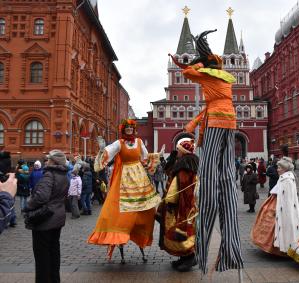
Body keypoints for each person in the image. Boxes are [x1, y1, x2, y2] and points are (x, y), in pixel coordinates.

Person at [172, 30, 243, 274]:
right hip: (230, 122)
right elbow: (210, 107)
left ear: (208, 65)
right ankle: (231, 250)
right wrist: (191, 126)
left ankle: (202, 248)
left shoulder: (207, 76)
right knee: (226, 172)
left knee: (210, 173)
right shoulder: (223, 80)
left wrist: (197, 62)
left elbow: (187, 71)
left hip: (215, 124)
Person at [88, 119, 163, 261]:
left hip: (139, 179)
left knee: (143, 210)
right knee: (121, 208)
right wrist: (102, 149)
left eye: (131, 127)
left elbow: (146, 158)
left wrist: (157, 156)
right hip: (124, 178)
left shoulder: (139, 142)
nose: (129, 129)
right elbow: (109, 152)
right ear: (124, 129)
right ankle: (120, 232)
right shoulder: (119, 143)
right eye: (127, 127)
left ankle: (140, 233)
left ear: (134, 129)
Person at [25, 150, 69, 283]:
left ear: (53, 161)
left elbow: (41, 197)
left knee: (42, 255)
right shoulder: (64, 175)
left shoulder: (49, 175)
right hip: (58, 218)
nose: (47, 160)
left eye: (49, 159)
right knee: (54, 251)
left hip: (45, 219)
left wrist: (29, 204)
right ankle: (54, 279)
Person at [158, 138, 199, 272]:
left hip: (182, 207)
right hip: (177, 205)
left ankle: (190, 256)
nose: (178, 153)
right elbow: (168, 171)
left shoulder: (185, 168)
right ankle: (182, 257)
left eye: (179, 151)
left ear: (184, 152)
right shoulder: (181, 163)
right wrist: (172, 157)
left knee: (183, 230)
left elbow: (181, 187)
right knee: (176, 230)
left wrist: (171, 201)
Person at [270, 157, 299, 253]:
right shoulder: (283, 178)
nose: (277, 169)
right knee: (285, 226)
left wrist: (282, 210)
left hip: (286, 210)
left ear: (284, 169)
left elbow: (288, 199)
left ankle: (288, 247)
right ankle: (286, 246)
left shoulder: (287, 180)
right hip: (283, 208)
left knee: (288, 226)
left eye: (279, 168)